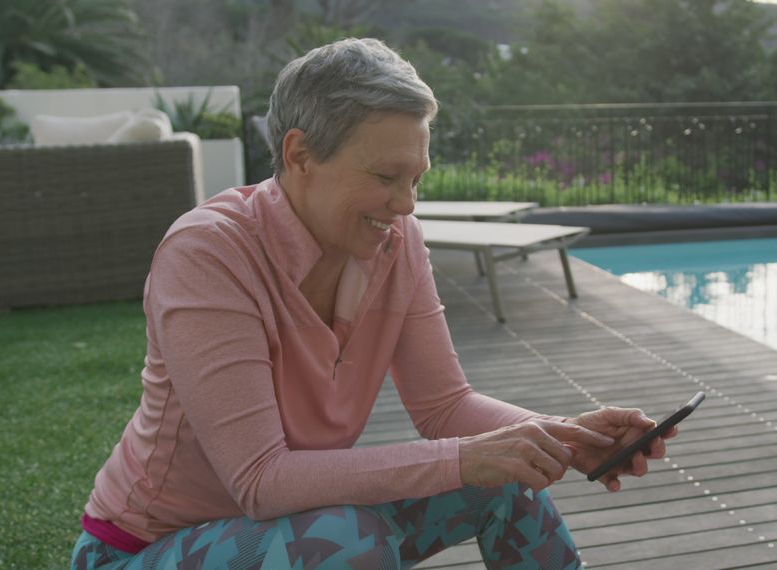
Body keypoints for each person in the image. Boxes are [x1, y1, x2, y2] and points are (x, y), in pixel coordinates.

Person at [71, 38, 677, 570]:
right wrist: (467, 458)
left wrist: (560, 437)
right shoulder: (207, 255)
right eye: (387, 177)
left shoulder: (394, 241)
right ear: (300, 154)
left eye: (416, 179)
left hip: (306, 524)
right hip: (145, 550)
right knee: (344, 538)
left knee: (507, 478)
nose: (407, 205)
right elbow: (261, 481)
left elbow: (445, 406)